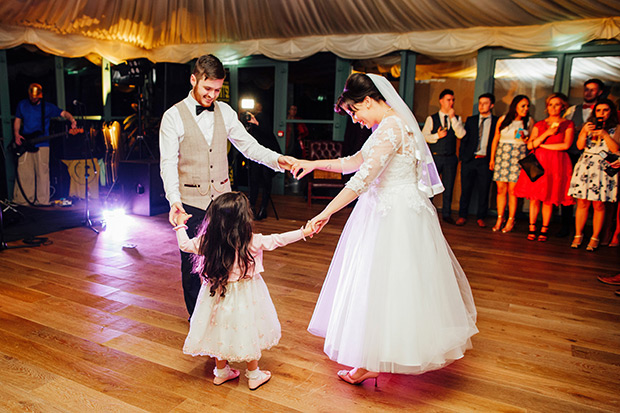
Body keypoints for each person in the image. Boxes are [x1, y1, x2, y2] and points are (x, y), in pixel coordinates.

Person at [292, 73, 477, 385]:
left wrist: (326, 212)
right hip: (392, 209)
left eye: (355, 112)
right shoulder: (388, 125)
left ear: (367, 100)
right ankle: (374, 355)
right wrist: (313, 164)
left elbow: (362, 178)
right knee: (389, 285)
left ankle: (371, 358)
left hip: (393, 216)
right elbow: (354, 161)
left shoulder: (391, 127)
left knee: (381, 283)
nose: (356, 119)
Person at [159, 54, 295, 317]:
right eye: (207, 88)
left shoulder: (226, 112)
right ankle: (197, 320)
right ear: (193, 80)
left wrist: (278, 160)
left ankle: (223, 317)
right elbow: (167, 163)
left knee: (229, 259)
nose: (212, 95)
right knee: (192, 264)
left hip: (223, 200)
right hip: (190, 199)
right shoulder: (173, 116)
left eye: (218, 90)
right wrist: (174, 200)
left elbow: (249, 147)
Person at [173, 192, 314, 390]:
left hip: (216, 293)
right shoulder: (251, 240)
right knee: (249, 328)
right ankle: (254, 374)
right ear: (244, 218)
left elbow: (184, 245)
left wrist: (180, 224)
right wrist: (305, 231)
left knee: (218, 329)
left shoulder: (208, 241)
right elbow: (279, 240)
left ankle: (221, 372)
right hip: (246, 295)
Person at [514, 93, 575, 242]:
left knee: (549, 197)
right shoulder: (540, 125)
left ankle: (545, 229)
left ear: (563, 107)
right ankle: (532, 227)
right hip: (539, 162)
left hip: (556, 162)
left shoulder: (567, 124)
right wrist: (546, 134)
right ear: (547, 107)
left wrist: (543, 145)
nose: (553, 107)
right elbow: (530, 145)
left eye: (557, 104)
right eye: (550, 104)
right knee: (535, 197)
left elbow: (566, 145)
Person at [567, 99, 619, 251]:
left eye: (605, 110)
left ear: (611, 112)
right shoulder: (588, 126)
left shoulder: (616, 128)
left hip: (602, 166)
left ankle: (595, 237)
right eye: (599, 110)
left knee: (599, 204)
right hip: (586, 163)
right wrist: (584, 131)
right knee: (582, 202)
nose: (602, 113)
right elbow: (579, 146)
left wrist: (604, 134)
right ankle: (578, 234)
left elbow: (615, 149)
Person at [12, 83, 77, 206]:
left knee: (42, 173)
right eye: (32, 96)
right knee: (25, 173)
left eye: (36, 97)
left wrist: (72, 120)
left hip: (43, 143)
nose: (33, 99)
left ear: (40, 96)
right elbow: (17, 120)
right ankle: (23, 200)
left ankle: (42, 201)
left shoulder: (47, 107)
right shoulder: (22, 104)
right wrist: (16, 134)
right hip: (26, 142)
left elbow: (63, 113)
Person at [559, 79, 605, 237]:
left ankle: (593, 230)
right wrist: (578, 129)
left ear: (599, 92)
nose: (588, 93)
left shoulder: (603, 111)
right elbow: (563, 127)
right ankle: (566, 226)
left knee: (594, 196)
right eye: (586, 89)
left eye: (593, 90)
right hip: (573, 154)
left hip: (597, 157)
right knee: (570, 191)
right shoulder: (573, 110)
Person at [488, 95, 533, 233]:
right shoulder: (503, 119)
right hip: (502, 156)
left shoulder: (528, 121)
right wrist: (492, 158)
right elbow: (496, 138)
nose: (525, 109)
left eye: (527, 106)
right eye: (522, 106)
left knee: (513, 191)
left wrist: (525, 139)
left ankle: (511, 219)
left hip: (517, 158)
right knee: (501, 189)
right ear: (515, 106)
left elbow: (531, 143)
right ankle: (500, 218)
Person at [422, 89, 467, 224]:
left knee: (448, 187)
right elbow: (424, 136)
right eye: (448, 100)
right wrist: (437, 136)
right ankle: (426, 213)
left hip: (450, 157)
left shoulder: (456, 119)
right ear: (441, 101)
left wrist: (453, 118)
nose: (451, 102)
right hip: (435, 157)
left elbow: (461, 134)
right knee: (430, 186)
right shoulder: (432, 118)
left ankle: (446, 214)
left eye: (453, 100)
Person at [456, 93, 499, 227]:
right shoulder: (471, 120)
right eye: (480, 103)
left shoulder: (497, 121)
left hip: (485, 160)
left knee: (484, 190)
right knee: (466, 189)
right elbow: (465, 140)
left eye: (485, 103)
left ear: (491, 105)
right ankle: (462, 215)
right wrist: (462, 157)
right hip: (470, 159)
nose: (482, 106)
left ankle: (481, 217)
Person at [244, 110, 282, 220]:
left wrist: (256, 122)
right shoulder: (249, 125)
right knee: (254, 181)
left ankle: (263, 208)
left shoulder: (262, 119)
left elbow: (268, 132)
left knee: (266, 181)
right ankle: (251, 208)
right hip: (255, 157)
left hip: (267, 155)